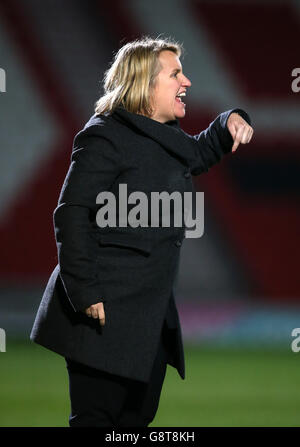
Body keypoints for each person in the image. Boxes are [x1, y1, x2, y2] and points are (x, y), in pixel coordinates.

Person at [30, 36, 253, 427]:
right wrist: (84, 291)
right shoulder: (105, 134)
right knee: (97, 421)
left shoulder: (160, 136)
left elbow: (198, 152)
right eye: (175, 74)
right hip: (102, 312)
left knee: (135, 424)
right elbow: (71, 213)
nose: (186, 82)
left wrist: (229, 120)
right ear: (144, 84)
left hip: (148, 318)